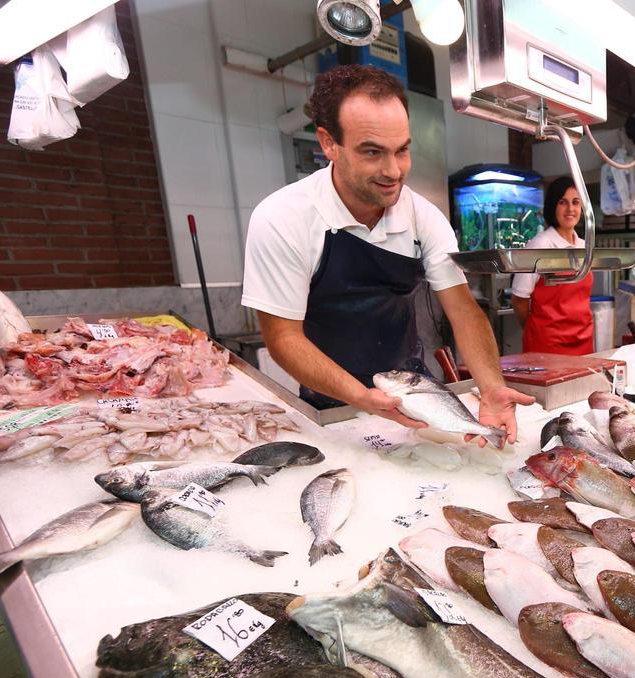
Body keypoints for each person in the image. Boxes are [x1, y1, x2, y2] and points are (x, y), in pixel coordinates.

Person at [241, 65, 532, 442]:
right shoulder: (283, 218)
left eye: (402, 150)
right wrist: (360, 396)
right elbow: (283, 337)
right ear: (329, 143)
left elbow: (462, 309)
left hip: (412, 386)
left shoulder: (423, 217)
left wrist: (491, 386)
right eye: (373, 152)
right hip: (332, 400)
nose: (393, 171)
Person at [511, 176, 594, 355]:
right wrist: (537, 328)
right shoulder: (540, 244)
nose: (570, 209)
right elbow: (519, 299)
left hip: (583, 341)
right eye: (563, 202)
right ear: (552, 206)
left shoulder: (584, 246)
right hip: (547, 345)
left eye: (576, 202)